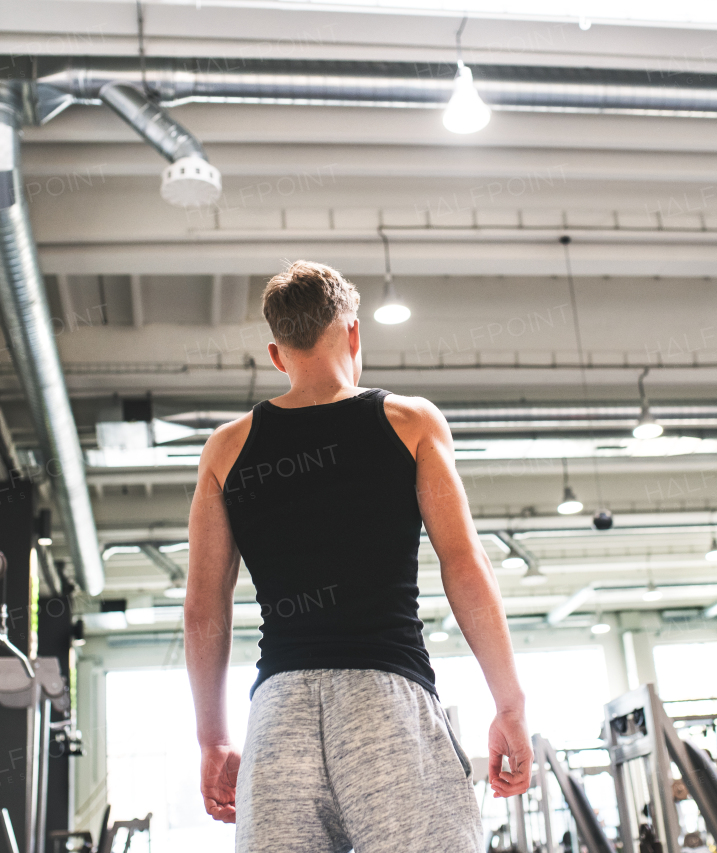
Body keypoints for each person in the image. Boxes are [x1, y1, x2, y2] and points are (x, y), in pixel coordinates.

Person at [184, 260, 533, 853]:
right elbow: (464, 565)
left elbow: (203, 607)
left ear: (277, 354)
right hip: (386, 705)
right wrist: (509, 705)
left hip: (278, 718)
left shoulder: (226, 448)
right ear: (353, 334)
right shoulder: (409, 423)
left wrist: (213, 740)